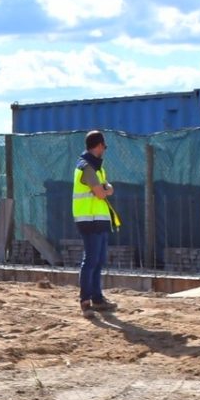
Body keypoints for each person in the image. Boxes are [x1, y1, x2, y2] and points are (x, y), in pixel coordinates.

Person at [72, 129, 117, 314]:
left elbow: (107, 188)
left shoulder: (97, 168)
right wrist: (105, 191)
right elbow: (101, 192)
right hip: (88, 220)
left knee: (98, 260)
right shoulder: (86, 166)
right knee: (90, 261)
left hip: (98, 219)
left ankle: (97, 298)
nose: (104, 150)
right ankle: (85, 300)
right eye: (104, 146)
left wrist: (105, 190)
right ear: (98, 146)